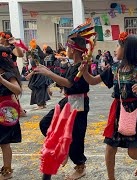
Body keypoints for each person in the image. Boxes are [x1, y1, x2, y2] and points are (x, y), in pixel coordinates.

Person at [78, 32, 137, 180]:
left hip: (133, 111)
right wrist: (84, 72)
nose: (115, 49)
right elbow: (93, 81)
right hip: (117, 110)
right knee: (110, 147)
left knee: (132, 152)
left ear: (126, 49)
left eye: (118, 46)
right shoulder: (114, 68)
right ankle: (111, 178)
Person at [35, 21, 96, 179]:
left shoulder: (82, 66)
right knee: (45, 124)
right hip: (68, 100)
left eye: (68, 48)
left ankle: (80, 166)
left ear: (74, 49)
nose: (65, 50)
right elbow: (65, 82)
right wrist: (52, 81)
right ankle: (64, 148)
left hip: (78, 102)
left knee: (76, 134)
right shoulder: (72, 65)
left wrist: (48, 73)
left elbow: (69, 83)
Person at [0, 47, 22, 180]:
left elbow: (18, 90)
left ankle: (7, 170)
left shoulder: (8, 75)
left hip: (5, 111)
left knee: (4, 142)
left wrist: (2, 81)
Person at [26, 46, 51, 110]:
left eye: (31, 47)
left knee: (39, 89)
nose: (29, 48)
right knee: (41, 89)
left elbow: (38, 67)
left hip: (38, 73)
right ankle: (42, 103)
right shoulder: (37, 56)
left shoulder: (36, 57)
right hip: (38, 74)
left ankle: (40, 104)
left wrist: (30, 74)